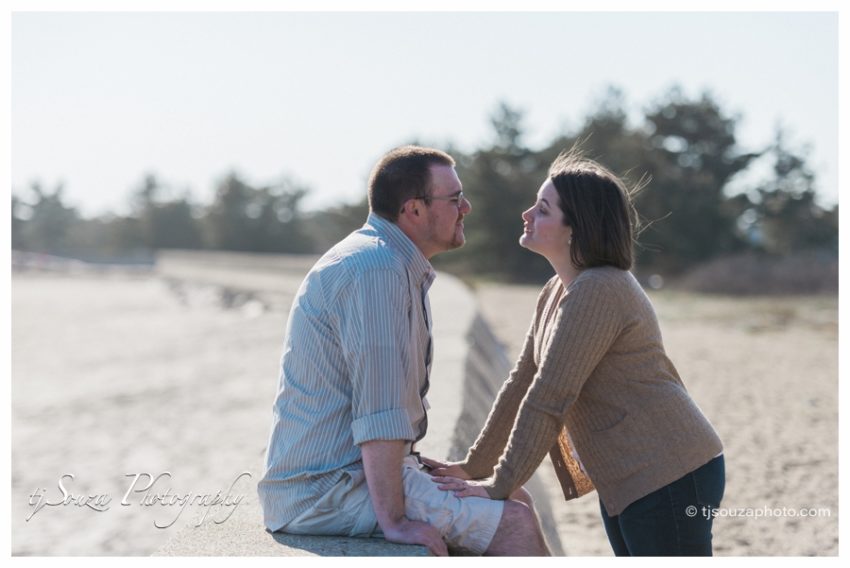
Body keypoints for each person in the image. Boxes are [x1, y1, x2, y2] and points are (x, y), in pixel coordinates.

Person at [429, 149, 725, 556]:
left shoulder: (600, 289)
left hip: (669, 471)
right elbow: (522, 383)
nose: (527, 214)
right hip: (628, 475)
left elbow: (549, 396)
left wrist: (499, 484)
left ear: (575, 229)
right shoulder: (558, 290)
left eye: (544, 209)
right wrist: (474, 465)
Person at [258, 145, 549, 556]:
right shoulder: (377, 271)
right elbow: (380, 413)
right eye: (454, 198)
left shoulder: (390, 261)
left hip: (345, 475)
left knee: (516, 498)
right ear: (413, 210)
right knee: (513, 524)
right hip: (324, 490)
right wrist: (394, 521)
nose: (465, 207)